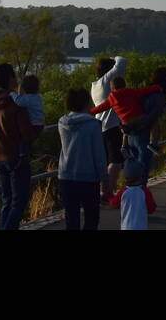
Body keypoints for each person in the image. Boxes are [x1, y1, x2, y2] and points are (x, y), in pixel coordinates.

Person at [0, 62, 42, 230]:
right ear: (10, 79)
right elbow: (27, 133)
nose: (17, 79)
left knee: (7, 200)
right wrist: (36, 132)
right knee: (19, 203)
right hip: (17, 158)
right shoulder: (16, 105)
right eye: (14, 76)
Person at [57, 87, 109, 230]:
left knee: (71, 219)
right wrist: (104, 178)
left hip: (66, 176)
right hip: (88, 178)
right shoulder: (93, 125)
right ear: (86, 103)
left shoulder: (62, 123)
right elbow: (99, 154)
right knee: (92, 218)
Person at [90, 75, 163, 176]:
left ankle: (124, 146)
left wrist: (89, 112)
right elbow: (145, 90)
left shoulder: (112, 98)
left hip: (126, 124)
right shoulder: (131, 92)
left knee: (124, 128)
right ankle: (153, 143)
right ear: (124, 85)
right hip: (139, 120)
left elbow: (101, 108)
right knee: (154, 121)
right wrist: (157, 87)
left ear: (112, 88)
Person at [90, 55, 127, 199]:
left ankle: (102, 191)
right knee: (115, 161)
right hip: (111, 126)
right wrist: (114, 58)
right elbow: (122, 62)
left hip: (100, 127)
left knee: (105, 162)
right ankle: (108, 192)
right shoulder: (106, 81)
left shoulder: (95, 85)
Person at [109, 163, 156, 229]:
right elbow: (152, 208)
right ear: (140, 176)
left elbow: (114, 203)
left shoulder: (123, 192)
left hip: (126, 227)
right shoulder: (145, 191)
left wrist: (110, 197)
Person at [12, 73, 45, 160]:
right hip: (40, 125)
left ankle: (24, 155)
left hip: (33, 125)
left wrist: (12, 93)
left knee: (24, 141)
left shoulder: (28, 98)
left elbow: (18, 101)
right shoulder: (38, 96)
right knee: (29, 141)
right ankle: (29, 153)